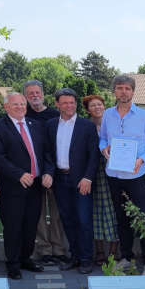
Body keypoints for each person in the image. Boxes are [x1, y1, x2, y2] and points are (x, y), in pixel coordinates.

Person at [98, 75, 145, 275]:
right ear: (114, 91)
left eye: (127, 88)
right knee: (121, 218)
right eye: (119, 88)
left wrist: (140, 160)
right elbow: (102, 139)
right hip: (115, 174)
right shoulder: (108, 115)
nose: (123, 91)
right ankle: (126, 258)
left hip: (137, 175)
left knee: (142, 217)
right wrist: (104, 150)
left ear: (133, 92)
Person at [0, 92, 54, 279]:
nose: (20, 107)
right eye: (15, 104)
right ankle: (13, 264)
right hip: (13, 187)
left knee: (30, 225)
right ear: (6, 107)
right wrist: (19, 174)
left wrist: (48, 172)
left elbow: (47, 153)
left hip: (36, 185)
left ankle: (26, 258)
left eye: (22, 104)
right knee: (13, 226)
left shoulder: (36, 126)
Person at [44, 88, 99, 274]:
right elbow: (48, 154)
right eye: (65, 102)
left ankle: (86, 259)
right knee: (67, 220)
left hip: (81, 180)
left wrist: (88, 177)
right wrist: (49, 173)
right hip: (60, 180)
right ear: (57, 104)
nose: (69, 105)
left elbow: (94, 156)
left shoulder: (87, 126)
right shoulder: (51, 125)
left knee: (83, 220)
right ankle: (75, 256)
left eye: (72, 102)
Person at [24, 79, 68, 265]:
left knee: (57, 212)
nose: (35, 96)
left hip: (55, 171)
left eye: (37, 92)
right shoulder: (22, 115)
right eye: (30, 93)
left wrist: (51, 171)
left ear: (43, 94)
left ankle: (59, 249)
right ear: (26, 96)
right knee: (39, 214)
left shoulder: (55, 115)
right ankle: (43, 249)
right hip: (32, 173)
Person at [83, 94, 120, 264]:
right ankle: (99, 251)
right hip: (92, 173)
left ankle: (113, 250)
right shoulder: (85, 126)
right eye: (93, 105)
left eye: (99, 104)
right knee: (95, 211)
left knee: (114, 210)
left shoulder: (114, 123)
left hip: (115, 171)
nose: (97, 107)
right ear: (87, 109)